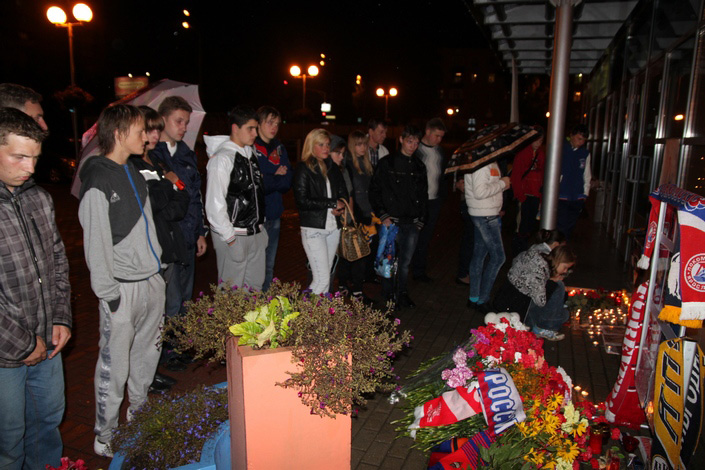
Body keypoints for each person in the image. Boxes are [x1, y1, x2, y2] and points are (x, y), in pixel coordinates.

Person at [78, 105, 165, 457]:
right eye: (140, 130)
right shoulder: (98, 179)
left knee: (147, 357)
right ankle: (105, 435)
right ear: (119, 132)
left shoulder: (134, 170)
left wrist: (157, 272)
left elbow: (150, 226)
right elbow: (95, 242)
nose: (147, 136)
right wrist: (109, 293)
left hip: (150, 281)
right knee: (114, 366)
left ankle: (140, 417)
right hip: (122, 289)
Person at [0, 108, 71, 469]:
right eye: (19, 157)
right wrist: (24, 344)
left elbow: (58, 261)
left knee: (47, 424)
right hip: (5, 354)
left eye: (35, 158)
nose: (29, 167)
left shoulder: (38, 198)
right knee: (8, 440)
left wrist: (61, 317)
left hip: (47, 340)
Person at [130, 106, 189, 393]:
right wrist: (167, 188)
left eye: (157, 129)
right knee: (146, 318)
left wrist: (167, 191)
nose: (154, 135)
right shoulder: (130, 165)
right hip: (149, 249)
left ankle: (152, 369)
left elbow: (182, 198)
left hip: (167, 245)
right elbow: (149, 204)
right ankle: (143, 377)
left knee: (165, 311)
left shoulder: (156, 161)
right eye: (148, 129)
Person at [149, 97, 207, 352]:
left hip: (188, 236)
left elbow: (195, 196)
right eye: (179, 121)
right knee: (169, 299)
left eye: (186, 122)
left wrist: (200, 232)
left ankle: (181, 346)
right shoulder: (151, 155)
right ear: (162, 120)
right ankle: (168, 351)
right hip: (168, 238)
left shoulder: (187, 154)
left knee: (185, 297)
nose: (184, 127)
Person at [206, 106, 267, 290]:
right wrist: (230, 238)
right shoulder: (222, 159)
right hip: (234, 234)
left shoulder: (250, 154)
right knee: (231, 293)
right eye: (250, 128)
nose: (255, 133)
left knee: (254, 289)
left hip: (254, 232)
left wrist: (261, 230)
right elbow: (214, 204)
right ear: (235, 128)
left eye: (256, 128)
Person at [369, 125, 428, 309]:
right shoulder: (387, 163)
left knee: (405, 263)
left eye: (416, 143)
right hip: (392, 221)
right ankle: (388, 294)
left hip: (411, 222)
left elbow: (423, 194)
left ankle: (401, 293)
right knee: (389, 261)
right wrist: (383, 215)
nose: (413, 146)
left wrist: (421, 219)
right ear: (401, 140)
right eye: (410, 142)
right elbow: (375, 190)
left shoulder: (419, 165)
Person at [293, 129, 348, 294]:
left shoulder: (332, 167)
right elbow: (302, 201)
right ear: (311, 145)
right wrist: (332, 203)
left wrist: (340, 207)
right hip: (313, 228)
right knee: (322, 279)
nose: (326, 148)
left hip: (333, 228)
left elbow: (343, 193)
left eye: (327, 145)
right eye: (321, 144)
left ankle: (315, 309)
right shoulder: (303, 168)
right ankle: (302, 308)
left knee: (325, 277)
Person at [465, 160, 511, 312]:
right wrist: (503, 183)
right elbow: (480, 192)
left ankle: (474, 298)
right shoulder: (482, 163)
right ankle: (482, 299)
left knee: (479, 256)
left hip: (486, 212)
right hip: (485, 215)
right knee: (498, 257)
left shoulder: (489, 161)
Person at [254, 106, 292, 291]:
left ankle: (265, 302)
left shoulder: (280, 148)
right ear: (259, 123)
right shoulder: (251, 147)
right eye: (270, 122)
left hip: (275, 214)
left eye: (277, 124)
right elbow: (256, 184)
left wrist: (269, 178)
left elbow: (287, 182)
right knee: (255, 266)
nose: (274, 127)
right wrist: (275, 175)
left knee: (269, 266)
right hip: (256, 217)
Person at [493, 229, 565, 318]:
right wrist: (552, 282)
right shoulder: (543, 261)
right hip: (516, 304)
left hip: (506, 294)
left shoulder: (534, 248)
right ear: (556, 245)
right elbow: (541, 301)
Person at [412, 118, 447, 282]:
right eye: (437, 136)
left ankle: (419, 271)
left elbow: (444, 174)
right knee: (413, 236)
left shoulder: (440, 152)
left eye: (441, 137)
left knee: (426, 237)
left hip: (434, 201)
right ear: (427, 132)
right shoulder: (416, 150)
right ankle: (405, 268)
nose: (439, 140)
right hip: (418, 201)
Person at [525, 245, 576, 341]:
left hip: (536, 311)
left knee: (565, 314)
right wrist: (552, 283)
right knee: (559, 286)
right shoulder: (542, 270)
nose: (565, 271)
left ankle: (546, 324)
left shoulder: (546, 267)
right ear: (558, 261)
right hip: (529, 314)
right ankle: (548, 327)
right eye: (565, 267)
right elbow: (539, 300)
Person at [511, 126, 545, 254]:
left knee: (530, 224)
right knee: (521, 224)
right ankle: (518, 249)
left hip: (535, 193)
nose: (538, 143)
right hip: (525, 194)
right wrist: (520, 195)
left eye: (540, 141)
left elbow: (542, 176)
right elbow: (516, 175)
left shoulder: (541, 154)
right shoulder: (523, 153)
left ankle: (523, 247)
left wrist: (541, 197)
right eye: (536, 140)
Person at [557, 124, 591, 239]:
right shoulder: (561, 149)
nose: (581, 142)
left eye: (584, 140)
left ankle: (563, 245)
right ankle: (559, 246)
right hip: (562, 194)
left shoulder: (585, 154)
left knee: (570, 226)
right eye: (579, 139)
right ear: (571, 136)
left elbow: (587, 174)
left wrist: (585, 193)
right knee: (561, 225)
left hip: (577, 196)